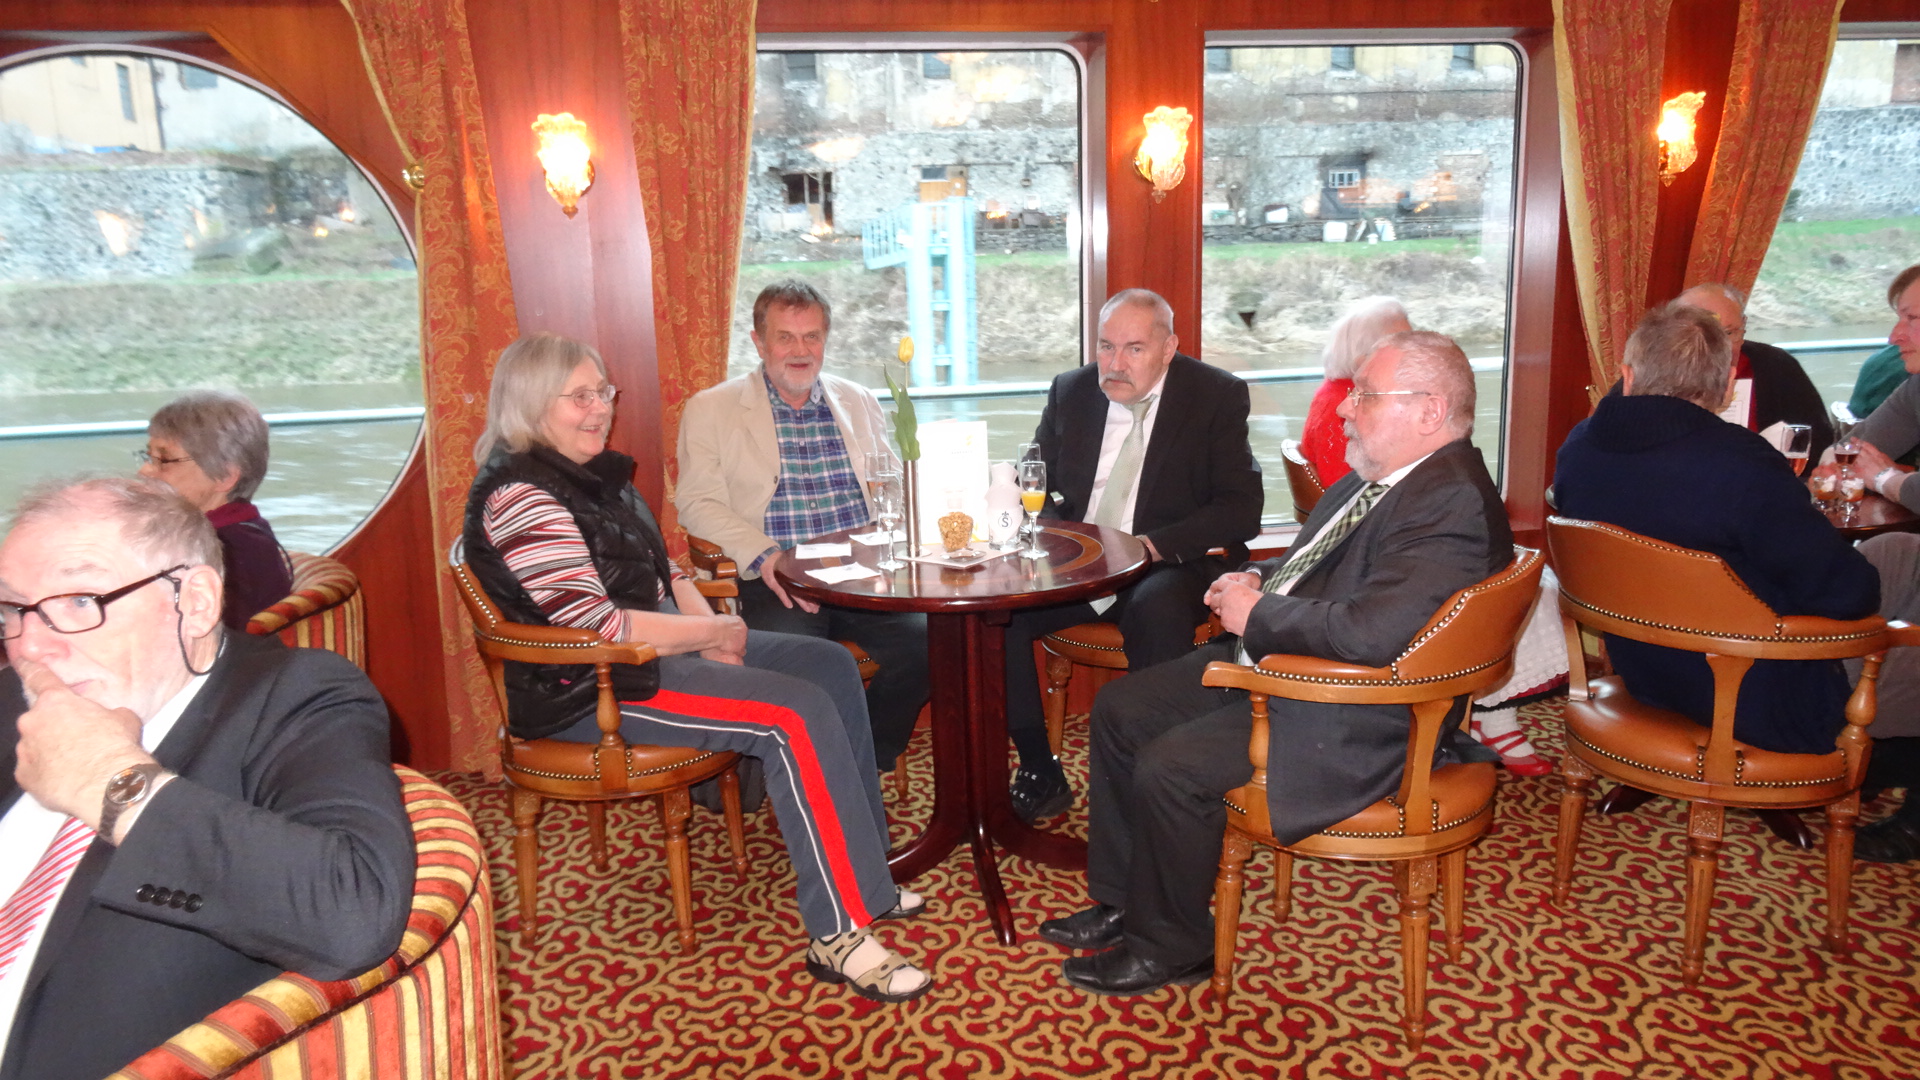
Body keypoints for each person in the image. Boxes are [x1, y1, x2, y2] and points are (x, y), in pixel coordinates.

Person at [462, 332, 931, 1003]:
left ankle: (867, 878)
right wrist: (713, 630)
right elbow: (598, 626)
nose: (600, 408)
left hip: (651, 653)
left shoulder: (592, 475)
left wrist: (708, 628)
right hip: (592, 686)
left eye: (603, 392)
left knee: (827, 665)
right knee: (790, 715)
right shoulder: (521, 497)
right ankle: (838, 930)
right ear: (532, 404)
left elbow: (667, 571)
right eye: (579, 396)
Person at [1040, 331, 1509, 996]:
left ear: (1430, 411)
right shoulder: (1387, 476)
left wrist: (1257, 616)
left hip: (1359, 709)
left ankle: (1171, 946)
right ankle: (1125, 900)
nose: (1343, 408)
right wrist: (1257, 580)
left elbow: (1372, 635)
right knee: (1122, 709)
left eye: (1365, 396)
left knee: (1172, 767)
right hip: (1292, 668)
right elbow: (1318, 565)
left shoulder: (1449, 499)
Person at [0, 477, 414, 1080]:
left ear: (193, 602)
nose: (32, 647)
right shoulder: (12, 700)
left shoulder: (294, 697)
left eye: (81, 601)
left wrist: (109, 784)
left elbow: (355, 912)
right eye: (13, 609)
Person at [1558, 303, 1893, 764]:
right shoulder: (1741, 463)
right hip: (1757, 702)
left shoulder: (1578, 449)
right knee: (1891, 575)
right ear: (1727, 382)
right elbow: (1850, 597)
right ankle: (1891, 762)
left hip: (1644, 675)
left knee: (1890, 554)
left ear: (1628, 376)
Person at [1002, 288, 1264, 823]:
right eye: (1106, 347)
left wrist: (1151, 545)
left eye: (1134, 349)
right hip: (1081, 562)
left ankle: (1157, 775)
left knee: (1157, 609)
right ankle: (1039, 768)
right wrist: (1045, 533)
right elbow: (1033, 479)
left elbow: (1241, 509)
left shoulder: (1214, 395)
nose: (1115, 364)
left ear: (1168, 348)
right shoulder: (1072, 391)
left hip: (1167, 560)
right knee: (996, 618)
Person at [675, 282, 927, 773]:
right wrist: (768, 557)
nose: (800, 350)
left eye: (812, 336)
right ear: (759, 342)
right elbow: (696, 503)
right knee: (802, 661)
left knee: (934, 643)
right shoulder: (712, 408)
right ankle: (822, 769)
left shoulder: (858, 401)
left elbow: (893, 486)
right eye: (785, 337)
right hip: (777, 579)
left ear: (825, 340)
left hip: (863, 575)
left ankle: (865, 756)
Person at [137, 391, 293, 630]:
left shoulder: (231, 552)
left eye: (164, 460)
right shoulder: (232, 531)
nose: (144, 472)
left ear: (224, 477)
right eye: (149, 457)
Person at [1673, 283, 1836, 461]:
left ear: (1743, 326)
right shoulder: (1659, 374)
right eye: (1708, 336)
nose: (1723, 347)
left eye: (1729, 333)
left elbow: (1817, 442)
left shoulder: (1776, 366)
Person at [1299, 296, 1410, 485]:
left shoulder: (1333, 392)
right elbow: (1348, 487)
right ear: (1366, 354)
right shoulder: (1352, 406)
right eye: (1404, 345)